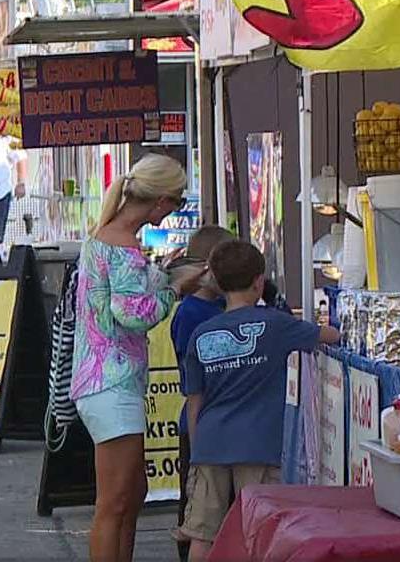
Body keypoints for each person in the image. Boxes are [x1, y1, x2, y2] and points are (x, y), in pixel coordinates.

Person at [70, 153, 203, 562]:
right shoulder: (124, 246)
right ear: (160, 201)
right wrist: (172, 292)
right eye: (177, 202)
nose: (176, 210)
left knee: (132, 493)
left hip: (101, 380)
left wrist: (161, 276)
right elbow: (132, 314)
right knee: (114, 502)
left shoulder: (104, 236)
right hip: (112, 382)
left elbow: (121, 297)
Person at [179, 240, 341, 561]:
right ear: (258, 281)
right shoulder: (276, 325)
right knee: (261, 531)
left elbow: (194, 399)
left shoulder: (202, 334)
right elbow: (330, 336)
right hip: (261, 444)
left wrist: (198, 449)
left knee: (202, 532)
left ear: (220, 284)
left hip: (210, 444)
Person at [168, 225, 235, 562]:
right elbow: (193, 373)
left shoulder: (223, 305)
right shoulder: (191, 314)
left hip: (220, 422)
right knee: (196, 509)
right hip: (198, 423)